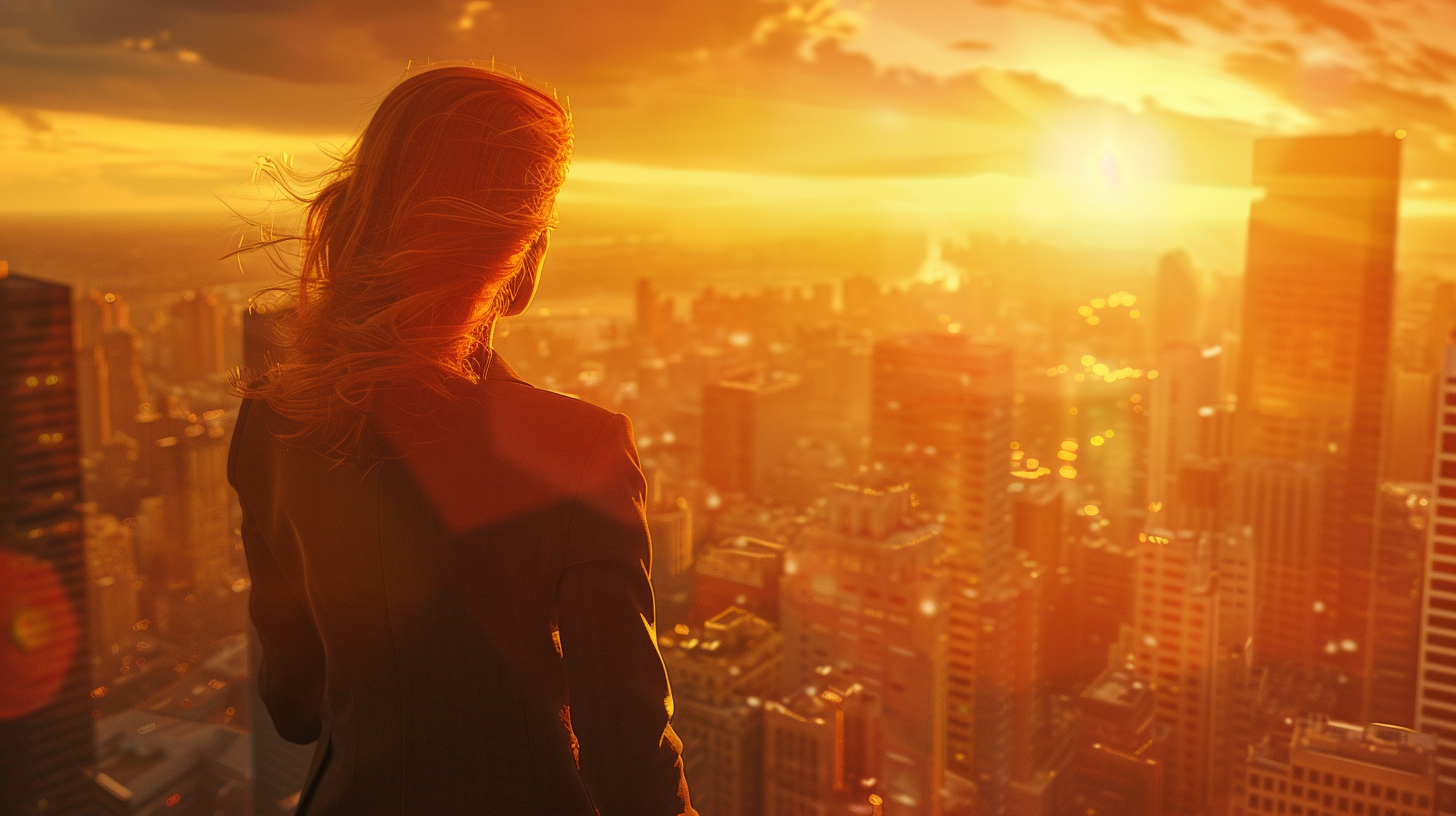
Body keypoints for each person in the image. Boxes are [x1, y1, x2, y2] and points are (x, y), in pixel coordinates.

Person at [228, 65, 695, 816]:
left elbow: (295, 705)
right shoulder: (578, 451)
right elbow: (632, 766)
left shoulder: (272, 421)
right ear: (522, 254)